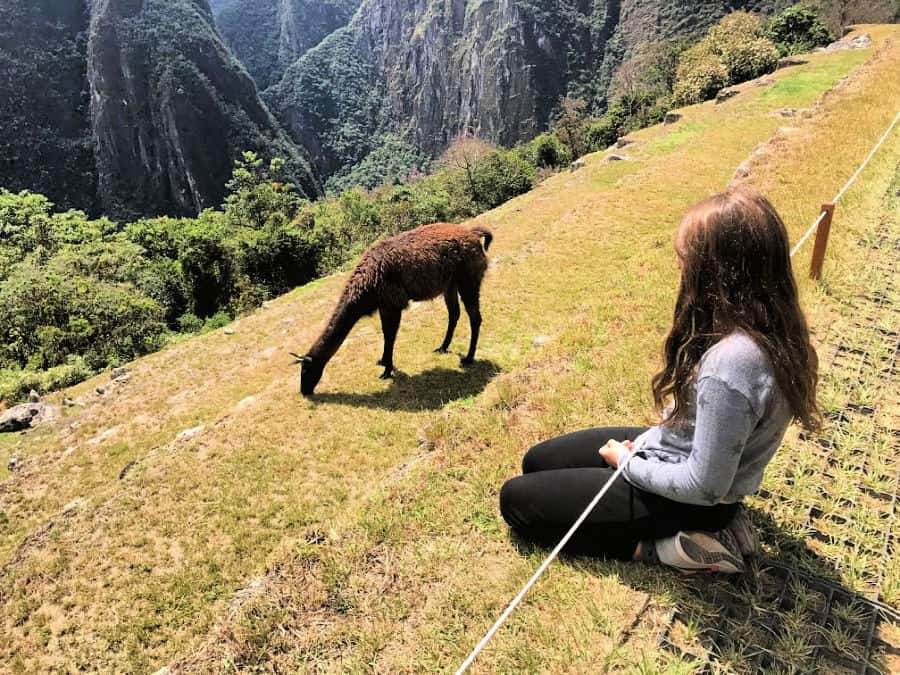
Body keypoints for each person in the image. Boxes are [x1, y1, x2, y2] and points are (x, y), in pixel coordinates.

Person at [499, 188, 821, 573]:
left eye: (685, 260)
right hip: (683, 456)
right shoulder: (770, 327)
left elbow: (704, 486)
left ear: (715, 272)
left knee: (517, 502)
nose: (680, 269)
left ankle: (672, 547)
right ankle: (709, 523)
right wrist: (652, 442)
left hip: (695, 500)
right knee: (537, 460)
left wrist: (629, 462)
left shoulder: (733, 363)